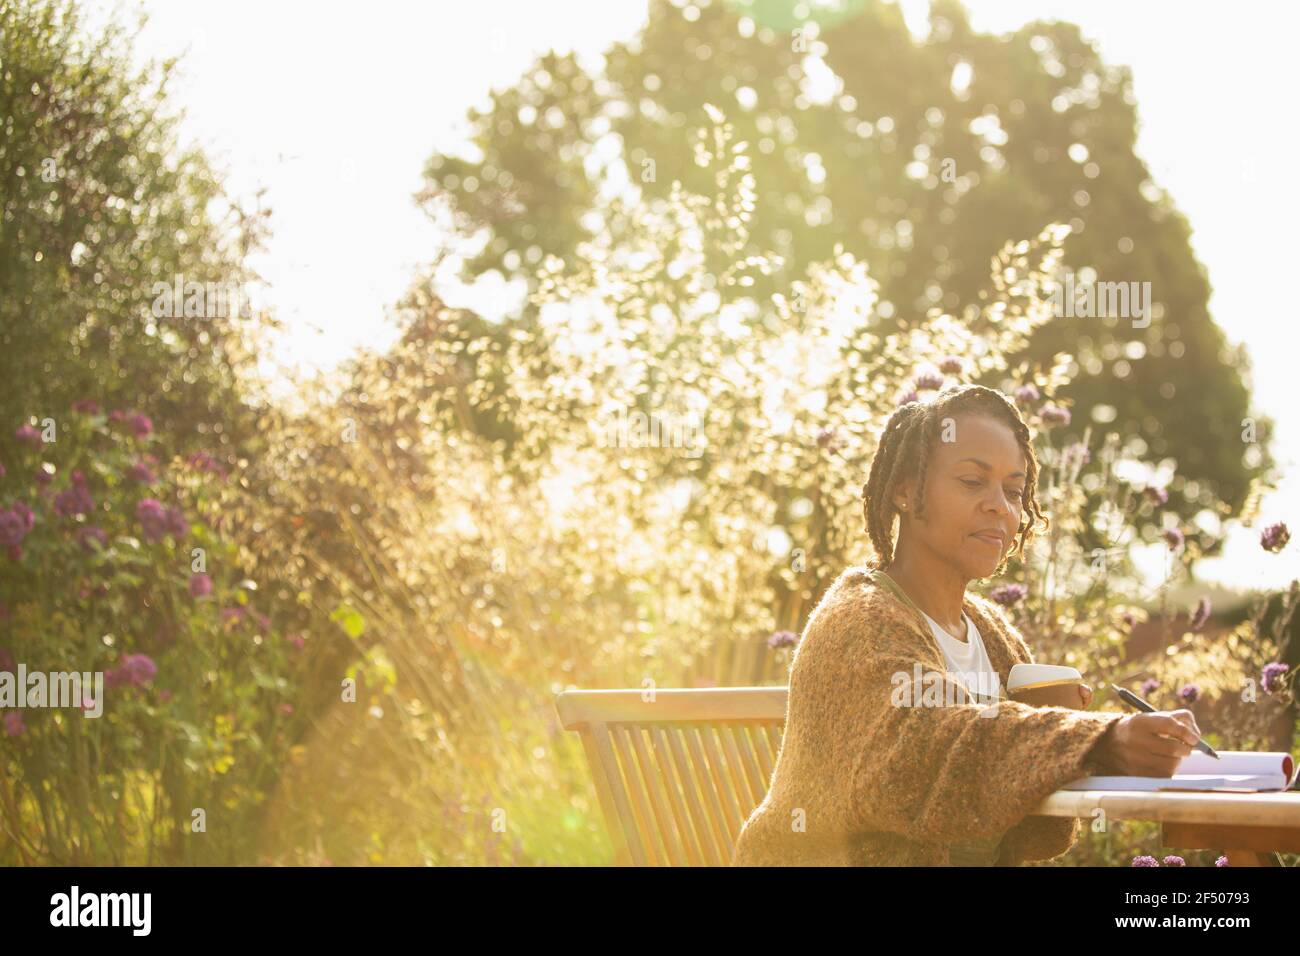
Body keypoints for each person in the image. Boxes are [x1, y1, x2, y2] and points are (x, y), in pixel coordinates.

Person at [730, 384, 1202, 866]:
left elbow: (1010, 771)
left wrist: (1070, 731)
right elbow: (924, 748)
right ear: (906, 490)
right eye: (973, 482)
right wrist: (1096, 739)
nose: (1001, 506)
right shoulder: (859, 621)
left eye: (1014, 491)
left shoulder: (991, 633)